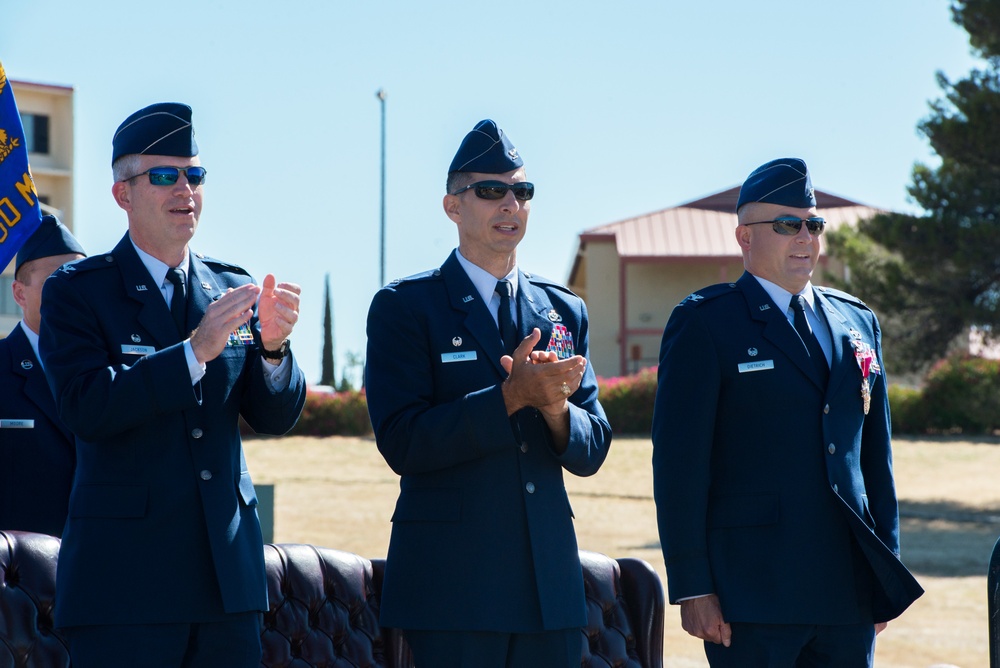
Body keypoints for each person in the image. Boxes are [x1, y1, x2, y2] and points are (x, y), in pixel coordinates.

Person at [38, 102, 307, 668]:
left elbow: (274, 416)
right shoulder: (77, 291)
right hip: (125, 589)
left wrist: (276, 350)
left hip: (225, 586)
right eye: (165, 175)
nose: (184, 188)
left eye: (194, 175)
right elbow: (87, 407)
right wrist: (192, 352)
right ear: (122, 194)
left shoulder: (229, 287)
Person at [651, 157, 923, 667]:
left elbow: (874, 459)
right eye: (786, 225)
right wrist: (692, 586)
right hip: (752, 592)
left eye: (813, 224)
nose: (805, 237)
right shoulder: (707, 323)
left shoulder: (856, 321)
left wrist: (883, 570)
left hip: (846, 586)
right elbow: (679, 467)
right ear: (744, 237)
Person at [364, 119, 612, 668]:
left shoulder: (562, 310)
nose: (510, 204)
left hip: (549, 590)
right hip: (453, 589)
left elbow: (593, 448)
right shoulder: (407, 308)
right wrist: (509, 399)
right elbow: (402, 442)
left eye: (522, 192)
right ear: (452, 207)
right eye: (491, 191)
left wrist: (554, 409)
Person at [0, 215, 85, 537]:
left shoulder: (116, 369)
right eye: (56, 282)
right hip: (17, 576)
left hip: (103, 569)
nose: (72, 294)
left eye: (80, 281)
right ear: (20, 294)